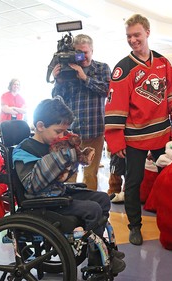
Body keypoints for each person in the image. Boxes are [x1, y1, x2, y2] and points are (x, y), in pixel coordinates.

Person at [12, 97, 125, 273]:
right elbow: (33, 184)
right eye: (58, 131)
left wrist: (75, 160)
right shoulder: (24, 150)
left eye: (65, 131)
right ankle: (95, 259)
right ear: (40, 126)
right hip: (40, 202)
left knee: (102, 198)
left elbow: (60, 176)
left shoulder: (51, 144)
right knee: (93, 209)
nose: (62, 136)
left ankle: (101, 248)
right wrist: (65, 156)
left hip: (57, 195)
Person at [104, 14, 172, 245]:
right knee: (134, 183)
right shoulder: (123, 68)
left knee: (171, 179)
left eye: (137, 35)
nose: (133, 40)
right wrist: (116, 142)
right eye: (129, 36)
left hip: (162, 133)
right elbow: (114, 107)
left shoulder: (163, 62)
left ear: (147, 32)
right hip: (135, 138)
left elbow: (171, 90)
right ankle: (134, 226)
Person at [51, 34, 111, 191]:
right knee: (69, 174)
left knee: (91, 174)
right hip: (71, 132)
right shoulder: (66, 70)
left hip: (95, 130)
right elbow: (57, 100)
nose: (83, 56)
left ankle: (90, 207)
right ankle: (71, 210)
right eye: (79, 52)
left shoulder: (102, 68)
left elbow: (108, 91)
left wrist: (85, 78)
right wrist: (58, 81)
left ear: (92, 50)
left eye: (86, 52)